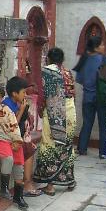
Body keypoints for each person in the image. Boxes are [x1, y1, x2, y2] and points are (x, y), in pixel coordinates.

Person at [33, 47, 77, 195]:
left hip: (54, 114)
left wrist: (40, 109)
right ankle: (69, 180)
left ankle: (50, 185)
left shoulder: (47, 71)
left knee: (50, 145)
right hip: (70, 111)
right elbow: (73, 94)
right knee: (67, 146)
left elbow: (44, 94)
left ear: (49, 59)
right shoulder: (67, 72)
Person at [73, 36, 106, 159]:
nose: (103, 47)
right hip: (103, 97)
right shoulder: (105, 59)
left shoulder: (84, 59)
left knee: (87, 123)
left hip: (88, 97)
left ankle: (82, 148)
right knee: (104, 124)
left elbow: (79, 79)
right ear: (96, 47)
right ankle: (103, 151)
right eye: (101, 45)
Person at [2, 77, 42, 197]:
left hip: (20, 134)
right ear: (14, 93)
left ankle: (26, 183)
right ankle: (26, 183)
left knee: (30, 147)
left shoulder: (16, 102)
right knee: (28, 148)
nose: (25, 94)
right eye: (23, 92)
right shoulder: (7, 105)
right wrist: (23, 109)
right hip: (10, 136)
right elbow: (13, 124)